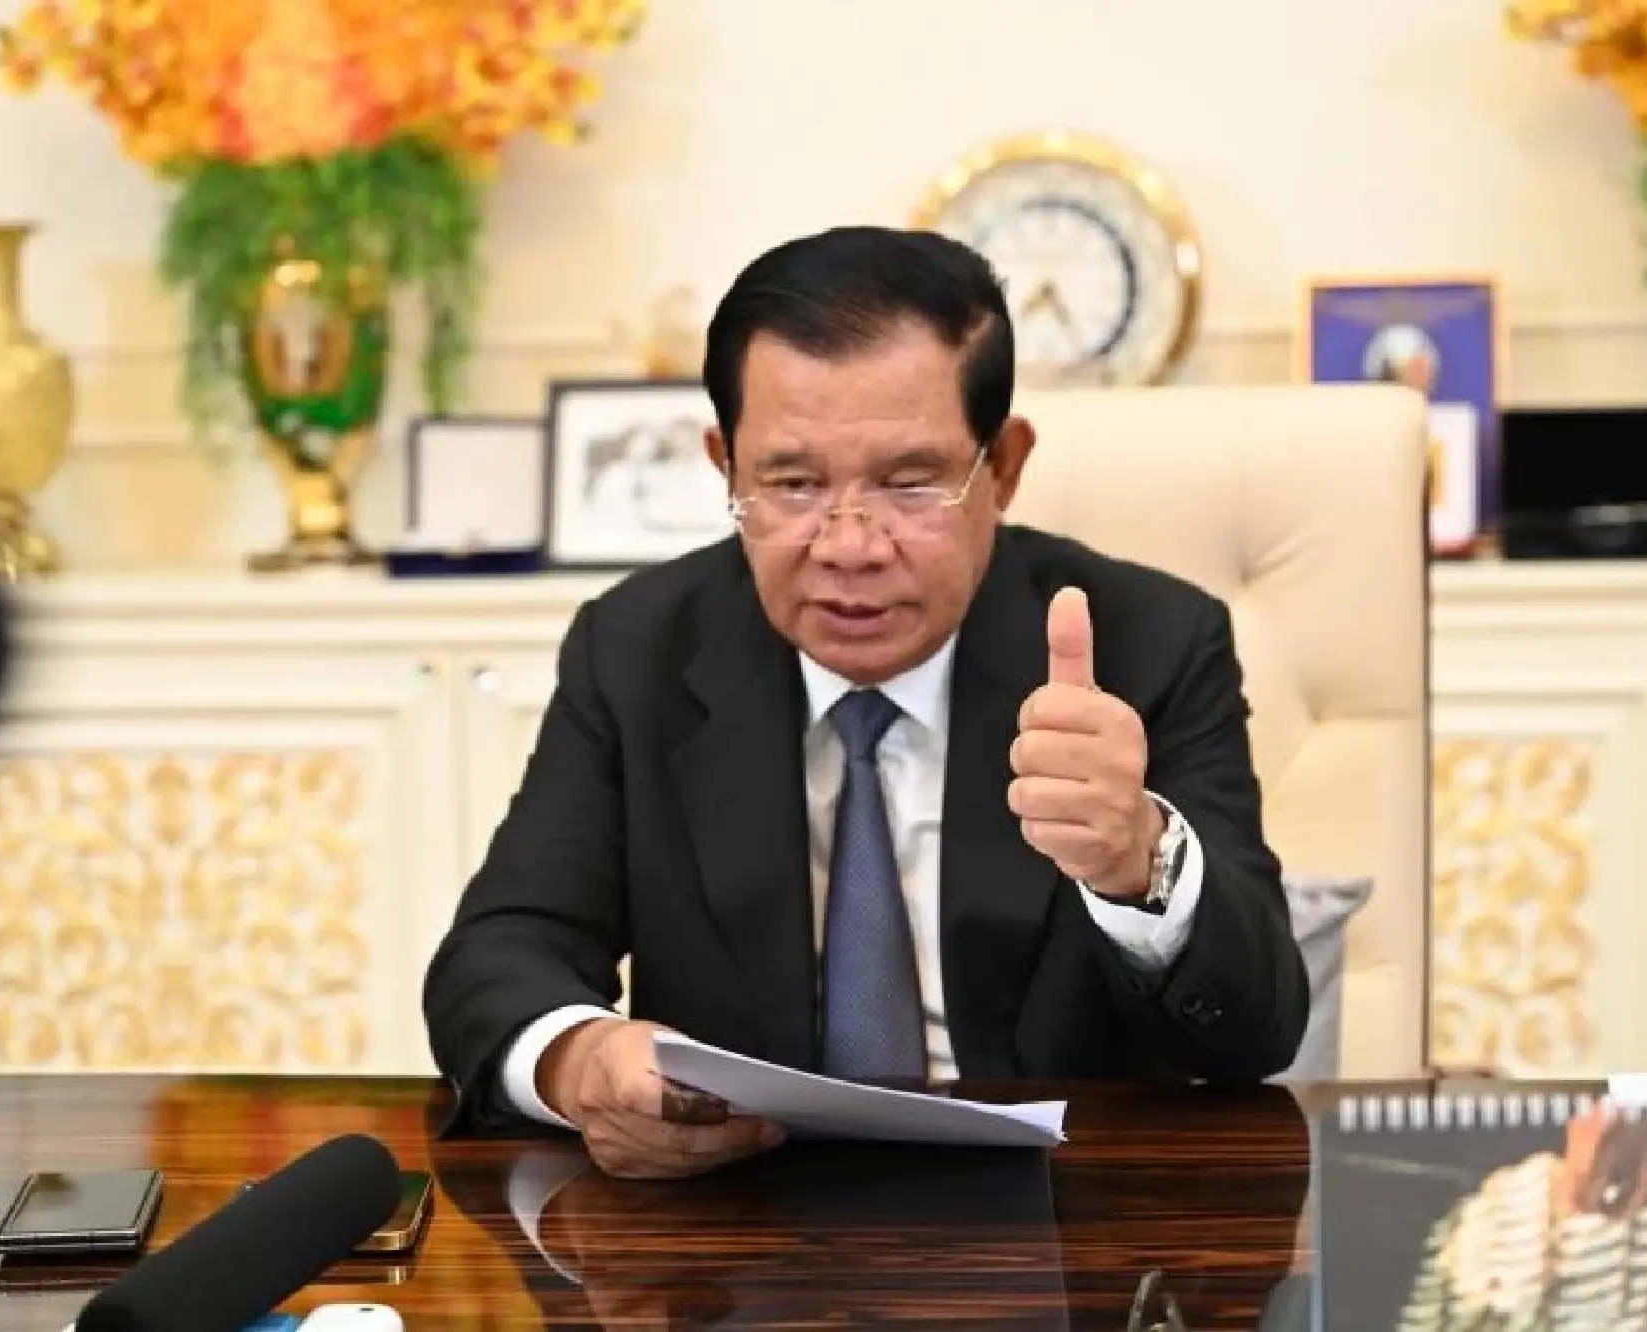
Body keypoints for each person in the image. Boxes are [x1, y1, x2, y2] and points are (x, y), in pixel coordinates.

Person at [424, 225, 1309, 1178]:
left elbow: (1256, 1034)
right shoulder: (640, 646)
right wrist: (581, 1059)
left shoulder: (1149, 644)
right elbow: (500, 954)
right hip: (735, 1226)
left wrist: (1139, 860)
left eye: (910, 483)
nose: (849, 546)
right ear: (726, 466)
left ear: (1002, 467)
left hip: (1064, 1228)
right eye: (793, 484)